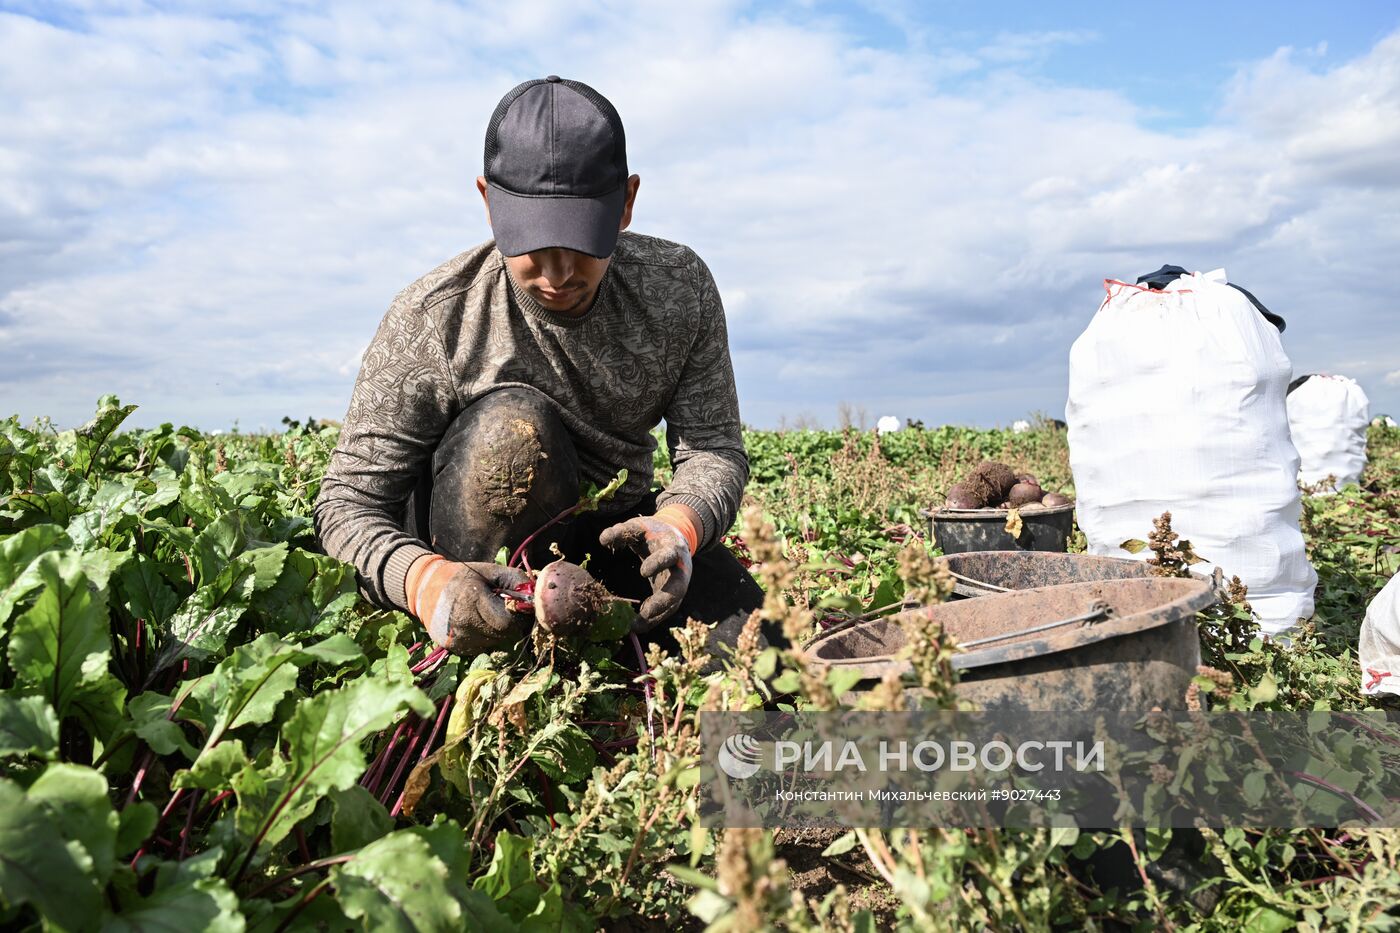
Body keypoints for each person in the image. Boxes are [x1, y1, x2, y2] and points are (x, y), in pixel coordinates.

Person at [314, 76, 764, 656]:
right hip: (476, 560)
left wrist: (678, 526)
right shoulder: (434, 318)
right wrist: (425, 582)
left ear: (625, 203)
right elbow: (348, 505)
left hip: (613, 543)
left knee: (768, 683)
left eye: (581, 243)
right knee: (511, 428)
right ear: (488, 203)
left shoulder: (678, 290)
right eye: (530, 244)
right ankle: (500, 648)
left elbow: (713, 448)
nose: (556, 274)